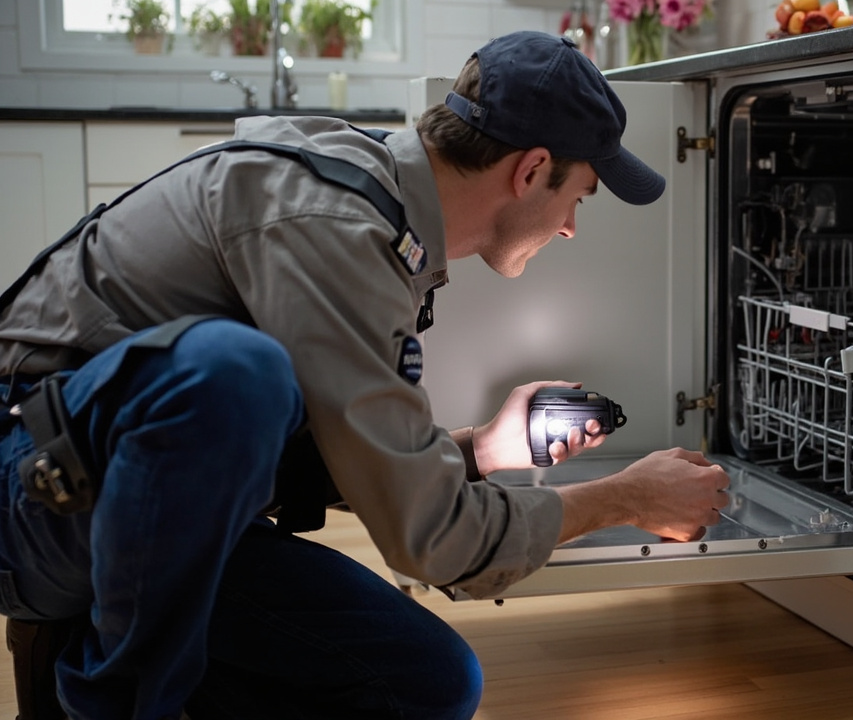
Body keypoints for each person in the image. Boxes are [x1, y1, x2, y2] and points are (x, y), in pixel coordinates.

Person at [0, 30, 730, 719]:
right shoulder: (336, 229)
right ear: (532, 170)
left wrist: (482, 449)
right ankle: (103, 699)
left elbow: (320, 452)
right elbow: (436, 543)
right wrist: (625, 497)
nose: (571, 225)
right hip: (36, 498)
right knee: (235, 372)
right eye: (580, 196)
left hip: (159, 517)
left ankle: (108, 651)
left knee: (427, 683)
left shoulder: (383, 216)